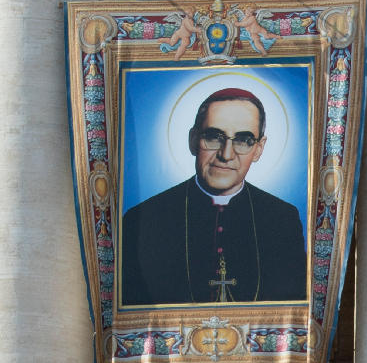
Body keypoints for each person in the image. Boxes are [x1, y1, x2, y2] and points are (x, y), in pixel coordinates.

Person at [120, 87, 308, 306]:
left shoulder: (282, 219)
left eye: (243, 140)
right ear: (193, 140)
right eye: (213, 137)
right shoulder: (144, 219)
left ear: (258, 149)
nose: (226, 155)